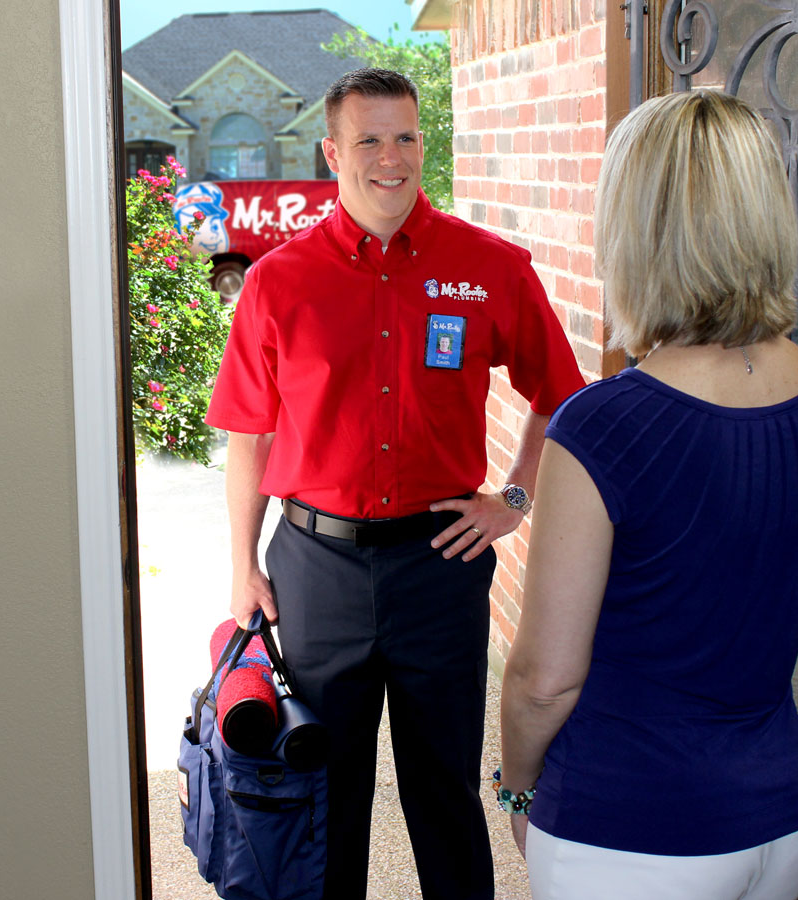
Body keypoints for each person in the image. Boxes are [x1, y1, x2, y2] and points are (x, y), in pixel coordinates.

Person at [205, 68, 585, 900]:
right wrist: (243, 562)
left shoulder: (488, 267)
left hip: (439, 566)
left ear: (423, 144)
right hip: (315, 570)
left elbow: (561, 398)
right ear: (331, 152)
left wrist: (513, 499)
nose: (391, 157)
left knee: (444, 790)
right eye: (369, 139)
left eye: (406, 136)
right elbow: (250, 434)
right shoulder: (277, 282)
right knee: (321, 797)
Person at [497, 89, 798, 900]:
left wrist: (517, 789)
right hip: (784, 814)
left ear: (636, 231)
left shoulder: (605, 425)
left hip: (633, 831)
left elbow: (542, 679)